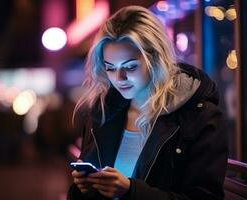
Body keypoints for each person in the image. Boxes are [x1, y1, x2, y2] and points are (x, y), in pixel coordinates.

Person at [68, 5, 228, 200]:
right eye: (110, 68)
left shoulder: (199, 117)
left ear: (156, 58)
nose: (120, 78)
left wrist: (131, 191)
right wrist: (82, 188)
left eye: (130, 66)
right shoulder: (103, 112)